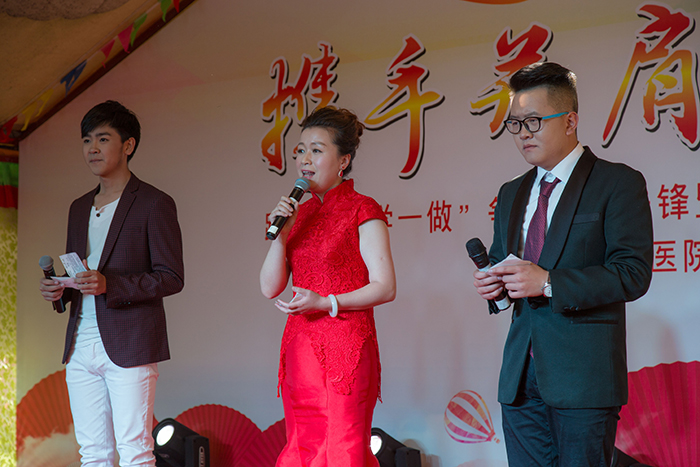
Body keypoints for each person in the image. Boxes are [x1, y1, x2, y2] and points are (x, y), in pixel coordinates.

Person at [472, 62, 653, 467]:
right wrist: (495, 289)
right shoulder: (511, 192)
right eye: (515, 124)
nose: (523, 133)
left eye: (533, 121)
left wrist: (548, 282)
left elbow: (633, 273)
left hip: (583, 378)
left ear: (570, 121)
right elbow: (505, 265)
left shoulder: (616, 183)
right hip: (520, 379)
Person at [39, 100, 184, 467]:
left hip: (130, 341)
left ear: (128, 145)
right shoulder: (78, 207)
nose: (93, 148)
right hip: (80, 342)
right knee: (92, 454)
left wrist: (110, 286)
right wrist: (60, 290)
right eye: (87, 140)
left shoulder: (154, 202)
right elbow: (80, 273)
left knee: (135, 451)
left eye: (103, 139)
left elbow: (171, 277)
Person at [260, 105, 396, 467]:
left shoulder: (363, 209)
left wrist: (326, 302)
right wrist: (281, 235)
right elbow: (269, 287)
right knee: (302, 441)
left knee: (342, 444)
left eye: (316, 150)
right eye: (301, 150)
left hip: (345, 345)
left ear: (343, 160)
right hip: (300, 347)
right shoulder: (298, 215)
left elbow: (385, 286)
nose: (305, 159)